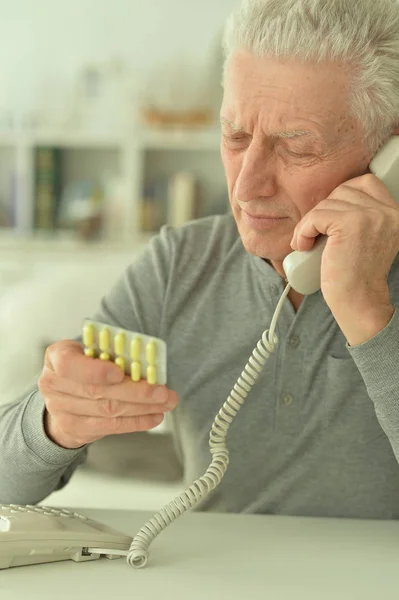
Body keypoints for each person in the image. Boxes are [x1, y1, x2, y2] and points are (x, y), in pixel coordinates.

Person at [1, 0, 399, 518]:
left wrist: (367, 312)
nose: (246, 186)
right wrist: (57, 420)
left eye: (296, 147)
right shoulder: (180, 264)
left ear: (385, 157)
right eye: (234, 136)